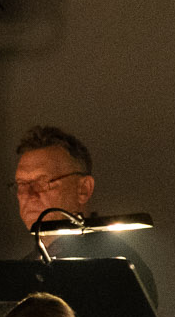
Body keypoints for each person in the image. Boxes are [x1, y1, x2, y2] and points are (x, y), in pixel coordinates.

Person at [13, 125, 157, 305]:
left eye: (43, 182)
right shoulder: (19, 272)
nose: (29, 194)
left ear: (83, 189)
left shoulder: (118, 268)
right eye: (21, 184)